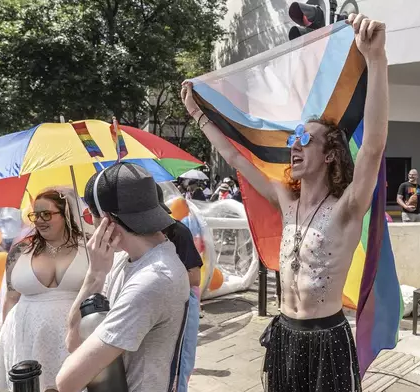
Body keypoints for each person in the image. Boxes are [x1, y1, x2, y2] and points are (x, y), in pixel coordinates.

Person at [181, 13, 387, 392]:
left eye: (306, 140)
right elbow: (239, 159)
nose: (296, 145)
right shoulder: (284, 199)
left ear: (329, 155)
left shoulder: (346, 208)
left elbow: (372, 148)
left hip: (327, 340)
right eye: (294, 138)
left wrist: (376, 60)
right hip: (286, 335)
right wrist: (198, 116)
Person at [57, 162, 189, 392]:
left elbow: (67, 381)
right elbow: (73, 340)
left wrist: (96, 273)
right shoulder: (124, 261)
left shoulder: (153, 280)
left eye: (91, 216)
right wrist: (95, 275)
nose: (91, 225)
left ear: (107, 220)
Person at [0, 188, 88, 392]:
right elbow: (11, 298)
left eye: (46, 214)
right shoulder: (20, 251)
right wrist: (5, 336)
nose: (39, 220)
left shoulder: (88, 248)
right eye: (35, 215)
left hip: (75, 333)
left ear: (66, 214)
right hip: (25, 334)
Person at [158, 184, 203, 392]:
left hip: (184, 304)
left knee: (180, 363)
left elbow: (195, 277)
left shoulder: (178, 232)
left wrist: (157, 278)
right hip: (161, 307)